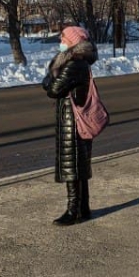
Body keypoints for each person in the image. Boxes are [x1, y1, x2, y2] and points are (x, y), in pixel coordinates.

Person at [42, 25, 98, 226]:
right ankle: (84, 208)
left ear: (73, 42)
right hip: (74, 120)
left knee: (72, 166)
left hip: (73, 122)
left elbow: (52, 89)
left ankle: (73, 210)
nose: (60, 42)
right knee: (78, 165)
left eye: (63, 38)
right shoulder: (76, 62)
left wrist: (52, 72)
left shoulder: (75, 64)